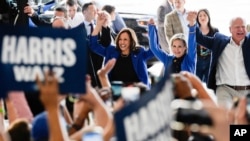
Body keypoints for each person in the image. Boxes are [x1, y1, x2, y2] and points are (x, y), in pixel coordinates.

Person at [193, 14, 250, 109]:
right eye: (237, 27)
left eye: (243, 27)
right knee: (225, 118)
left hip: (247, 90)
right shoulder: (219, 42)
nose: (241, 29)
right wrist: (192, 23)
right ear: (230, 29)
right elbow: (199, 38)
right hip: (225, 89)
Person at [90, 12, 155, 89]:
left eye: (125, 39)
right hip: (115, 91)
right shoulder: (111, 51)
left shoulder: (139, 52)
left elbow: (153, 50)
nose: (122, 42)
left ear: (131, 41)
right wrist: (98, 25)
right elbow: (94, 46)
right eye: (120, 39)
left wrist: (152, 29)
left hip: (137, 91)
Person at [195, 9, 219, 84]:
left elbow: (217, 46)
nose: (202, 17)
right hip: (197, 61)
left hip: (210, 62)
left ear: (208, 17)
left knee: (209, 84)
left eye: (205, 15)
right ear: (197, 19)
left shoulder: (215, 31)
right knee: (197, 84)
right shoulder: (195, 31)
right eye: (200, 16)